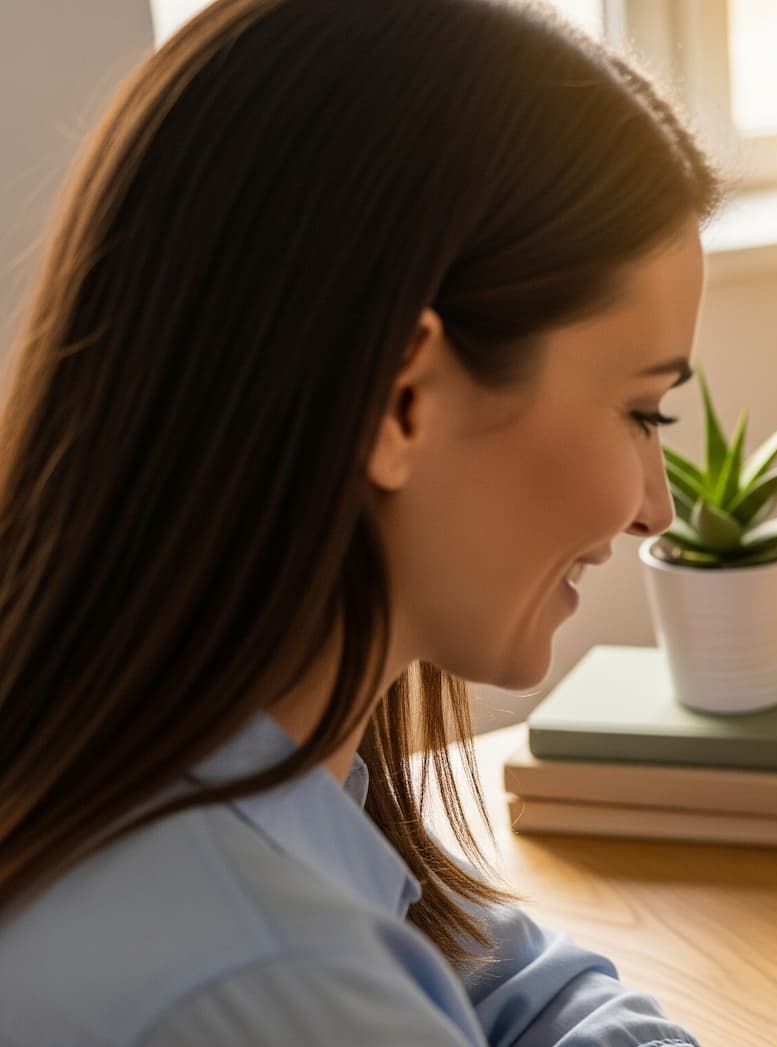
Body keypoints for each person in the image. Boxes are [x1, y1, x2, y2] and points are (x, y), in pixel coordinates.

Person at [0, 1, 718, 1043]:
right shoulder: (268, 982)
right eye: (642, 411)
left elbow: (511, 987)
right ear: (402, 400)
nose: (655, 507)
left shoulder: (224, 762)